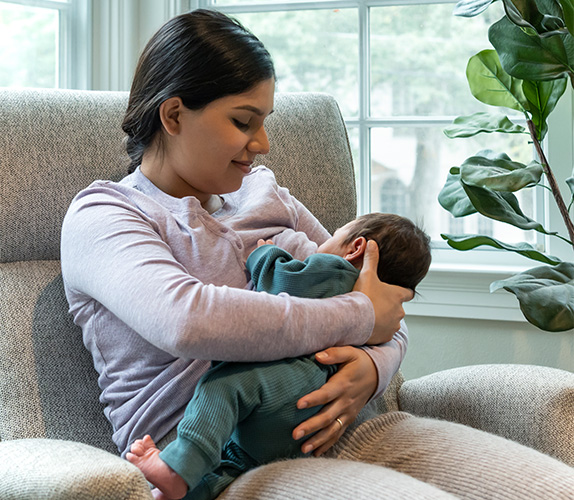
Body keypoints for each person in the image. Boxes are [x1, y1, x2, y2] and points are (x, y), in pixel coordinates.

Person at [61, 8, 574, 500]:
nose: (262, 143)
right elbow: (187, 320)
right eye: (243, 121)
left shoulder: (264, 192)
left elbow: (382, 306)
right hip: (227, 461)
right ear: (173, 114)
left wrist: (374, 368)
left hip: (360, 425)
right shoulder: (104, 215)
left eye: (265, 121)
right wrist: (360, 316)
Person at [125, 213, 432, 500]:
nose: (318, 245)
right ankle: (176, 492)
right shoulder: (371, 298)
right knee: (236, 461)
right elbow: (383, 322)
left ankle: (177, 467)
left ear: (355, 248)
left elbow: (283, 281)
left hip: (290, 385)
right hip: (307, 421)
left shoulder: (335, 271)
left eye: (334, 234)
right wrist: (363, 315)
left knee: (223, 386)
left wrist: (265, 254)